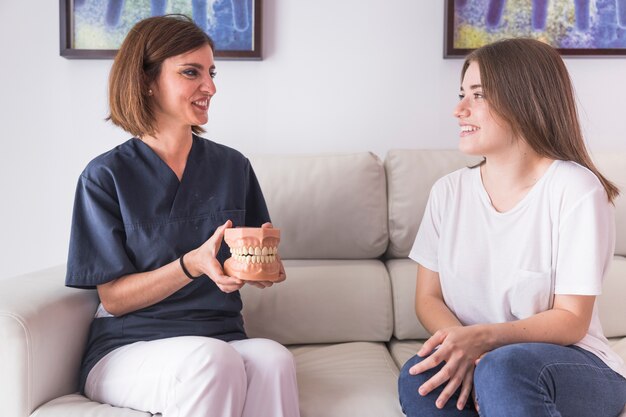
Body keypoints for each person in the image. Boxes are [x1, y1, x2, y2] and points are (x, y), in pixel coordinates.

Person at [65, 14, 300, 417]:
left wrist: (262, 268)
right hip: (129, 345)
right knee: (213, 360)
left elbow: (249, 262)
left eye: (211, 72)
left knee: (274, 358)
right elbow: (114, 299)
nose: (209, 86)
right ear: (146, 81)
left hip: (219, 335)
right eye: (191, 72)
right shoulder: (105, 177)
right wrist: (190, 264)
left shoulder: (233, 166)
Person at [397, 38, 626, 417]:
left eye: (478, 95)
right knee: (419, 380)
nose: (459, 110)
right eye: (461, 94)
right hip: (483, 357)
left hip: (572, 364)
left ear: (524, 100)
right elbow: (428, 298)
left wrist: (484, 342)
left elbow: (571, 320)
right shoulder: (448, 192)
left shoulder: (576, 189)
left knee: (501, 369)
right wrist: (461, 346)